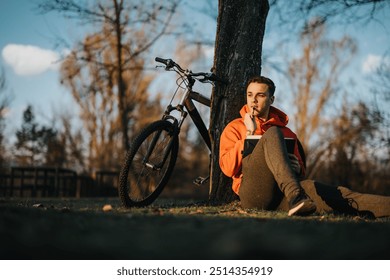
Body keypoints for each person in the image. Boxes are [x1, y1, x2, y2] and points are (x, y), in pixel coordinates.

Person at [219, 76, 390, 218]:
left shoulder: (287, 133)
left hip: (283, 197)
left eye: (260, 95)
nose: (253, 100)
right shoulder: (235, 127)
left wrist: (296, 168)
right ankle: (296, 197)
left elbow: (300, 172)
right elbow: (227, 168)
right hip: (254, 194)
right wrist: (249, 133)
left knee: (338, 194)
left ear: (271, 99)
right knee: (272, 134)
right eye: (250, 95)